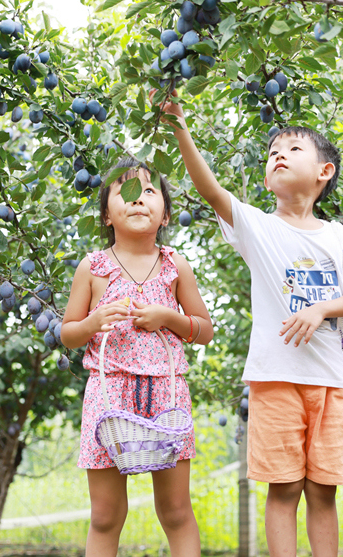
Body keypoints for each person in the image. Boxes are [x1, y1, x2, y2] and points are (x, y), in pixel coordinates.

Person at [159, 91, 343, 557]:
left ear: (324, 172)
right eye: (273, 152)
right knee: (284, 489)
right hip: (276, 379)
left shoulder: (336, 234)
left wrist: (321, 309)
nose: (279, 154)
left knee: (324, 492)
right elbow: (210, 189)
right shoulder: (257, 226)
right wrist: (179, 125)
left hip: (330, 382)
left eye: (294, 149)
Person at [61, 157, 213, 557]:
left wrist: (168, 317)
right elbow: (68, 335)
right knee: (106, 516)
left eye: (149, 191)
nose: (138, 200)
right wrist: (94, 321)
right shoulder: (92, 268)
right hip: (108, 397)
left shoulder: (175, 265)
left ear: (164, 214)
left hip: (168, 396)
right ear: (107, 215)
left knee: (177, 511)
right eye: (125, 192)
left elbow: (204, 330)